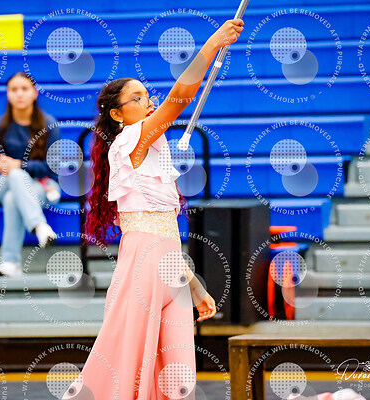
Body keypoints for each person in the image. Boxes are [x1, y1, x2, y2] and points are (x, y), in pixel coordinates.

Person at [62, 19, 244, 399]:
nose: (148, 102)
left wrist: (192, 283)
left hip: (166, 264)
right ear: (117, 114)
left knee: (172, 366)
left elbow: (162, 232)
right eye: (138, 98)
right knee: (128, 357)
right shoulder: (131, 139)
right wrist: (213, 43)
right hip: (144, 263)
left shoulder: (149, 144)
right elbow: (181, 96)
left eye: (148, 96)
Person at [0, 72, 61, 278]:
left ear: (34, 93)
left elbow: (51, 168)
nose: (19, 94)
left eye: (24, 89)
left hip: (43, 185)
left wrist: (19, 165)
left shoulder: (49, 124)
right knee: (14, 177)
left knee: (13, 198)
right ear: (7, 94)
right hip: (4, 183)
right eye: (14, 89)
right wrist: (6, 166)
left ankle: (10, 262)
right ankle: (39, 226)